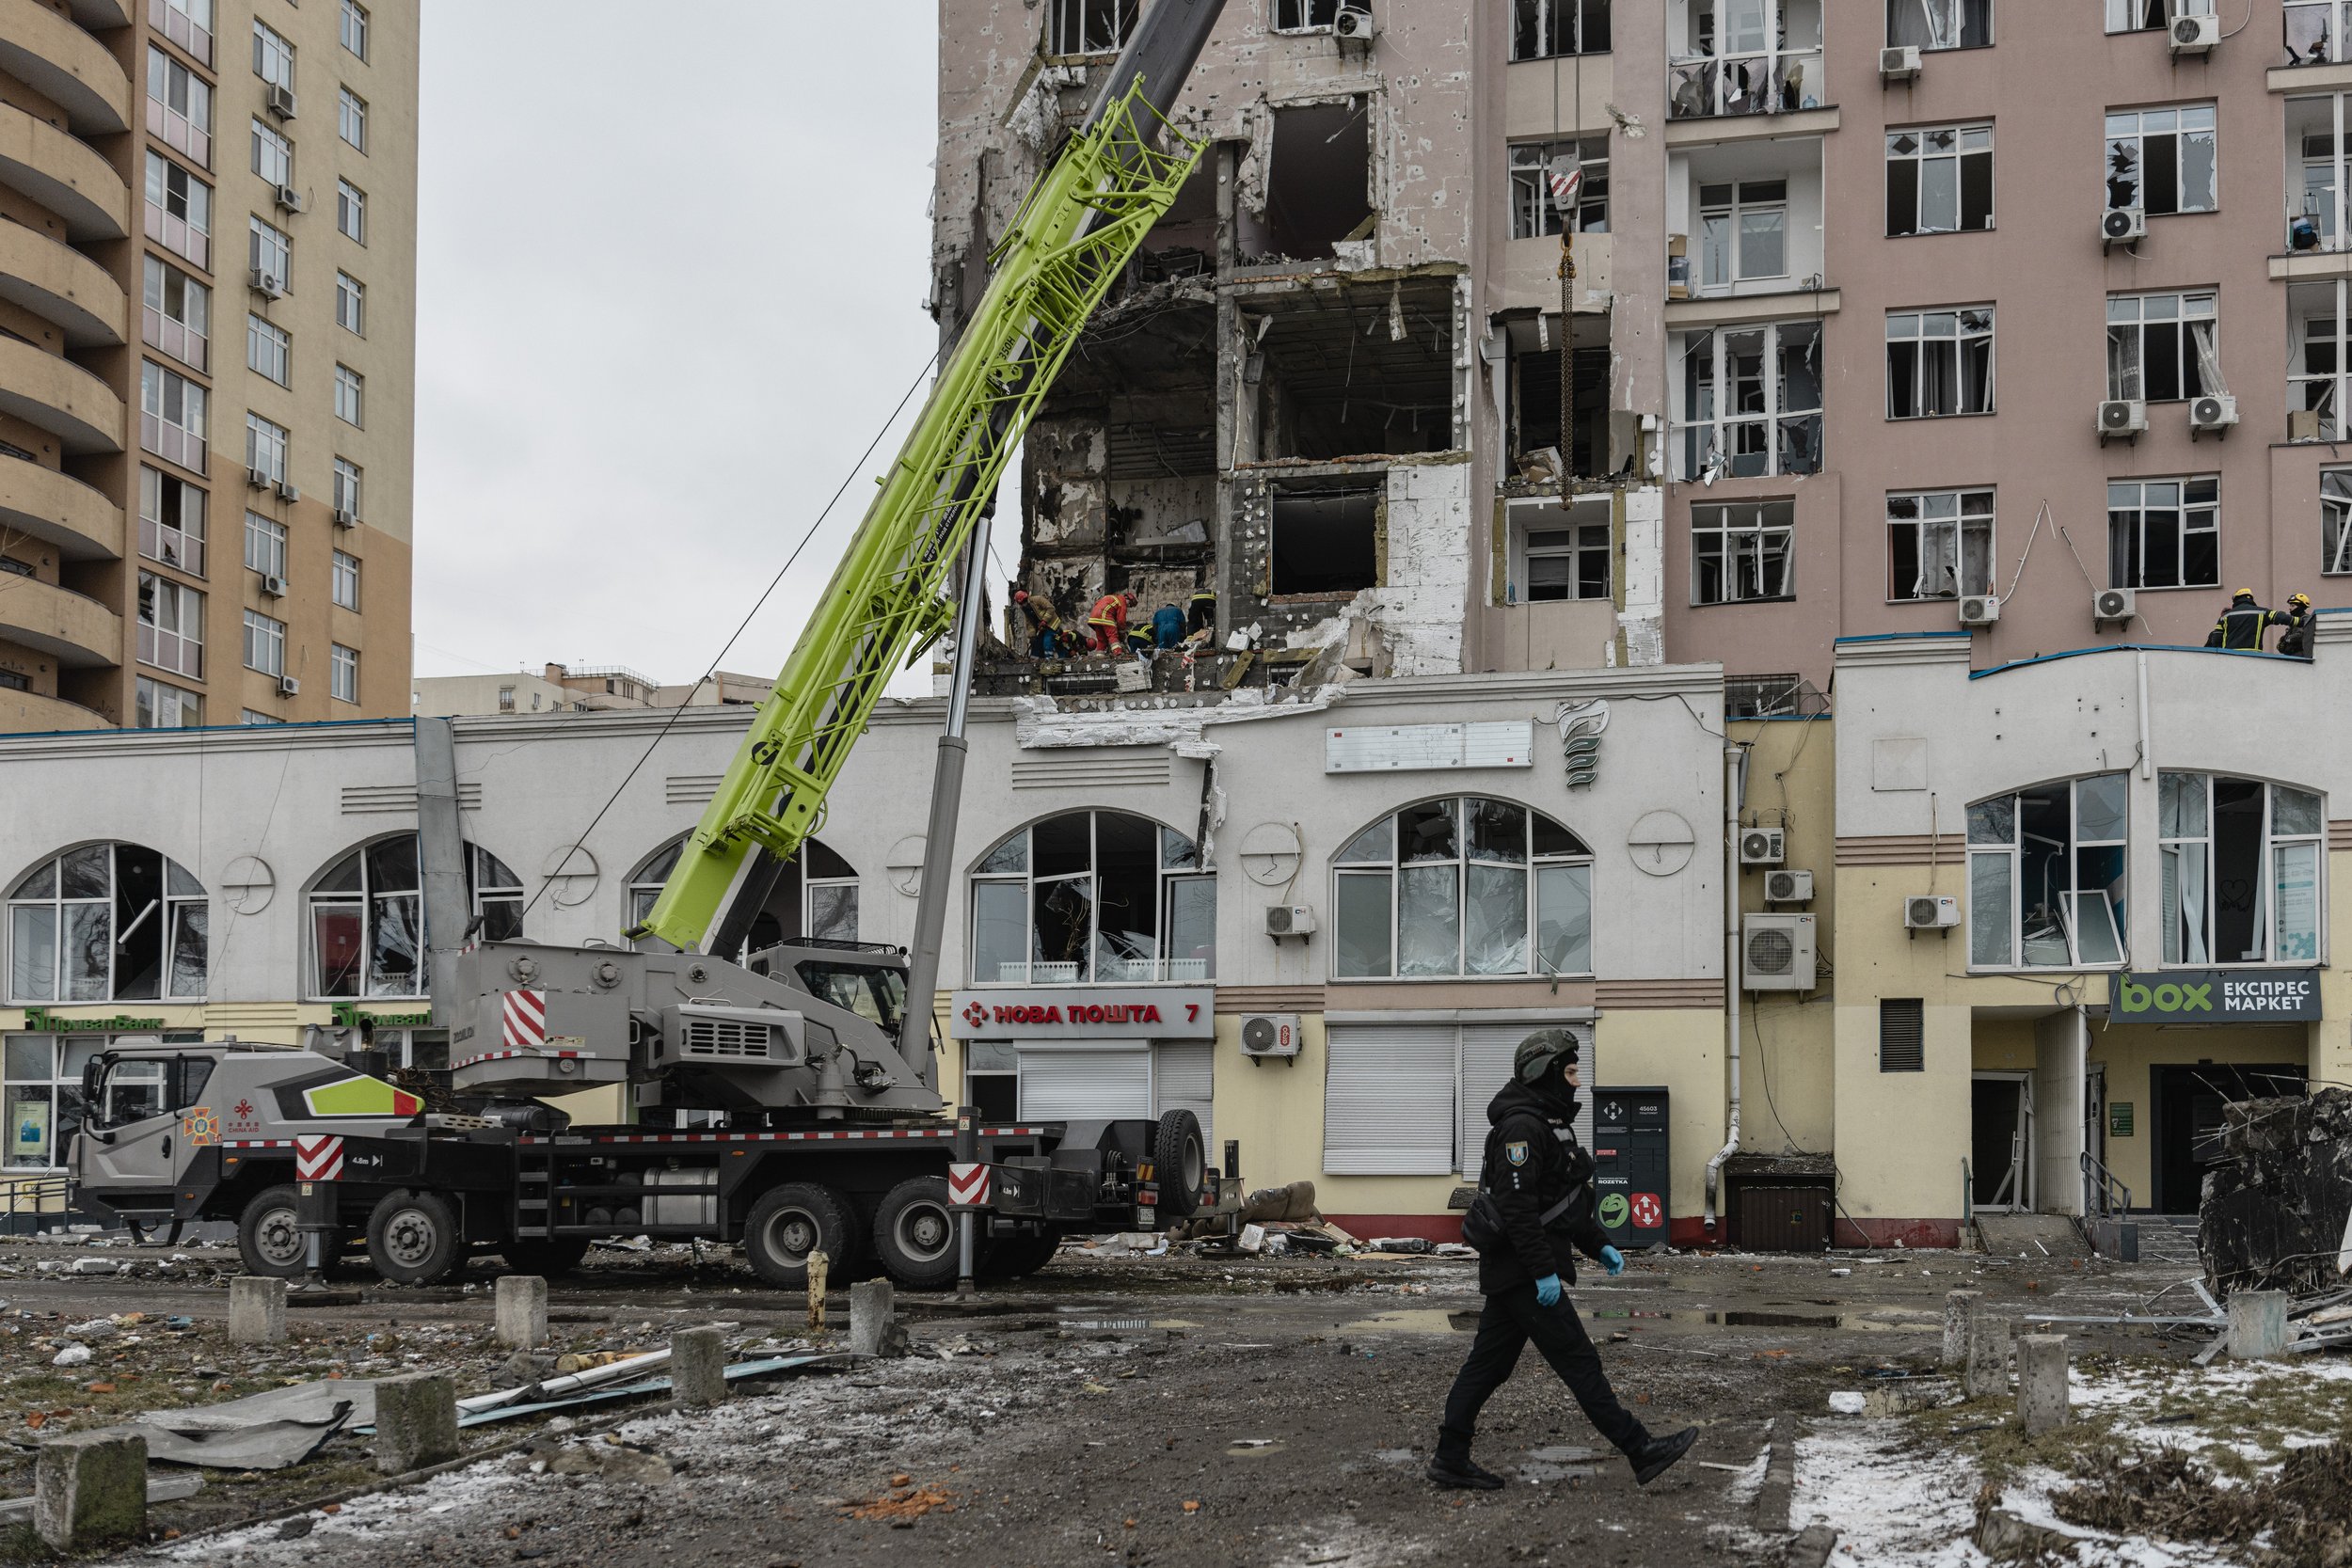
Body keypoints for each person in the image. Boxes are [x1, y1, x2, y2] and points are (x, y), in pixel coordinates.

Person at [1430, 1029, 1698, 1492]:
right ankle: (1640, 1450)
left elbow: (1565, 1202)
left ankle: (1450, 1458)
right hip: (1523, 1274)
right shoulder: (1521, 1128)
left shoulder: (1550, 1123)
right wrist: (1543, 1272)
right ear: (1546, 1073)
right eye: (1571, 1072)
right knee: (1579, 1361)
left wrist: (1600, 1244)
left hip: (1521, 1272)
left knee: (1487, 1368)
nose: (1577, 1082)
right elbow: (1518, 1211)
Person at [2207, 588, 2286, 652]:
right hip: (2253, 656)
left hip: (2230, 656)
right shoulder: (2261, 612)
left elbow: (2216, 639)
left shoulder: (2226, 616)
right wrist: (2298, 620)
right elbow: (2281, 617)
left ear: (2235, 600)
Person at [1013, 591, 1062, 657]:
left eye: (1024, 601)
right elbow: (1029, 623)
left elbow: (1051, 608)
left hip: (1052, 625)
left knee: (1047, 643)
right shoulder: (1024, 609)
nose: (1024, 604)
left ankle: (1049, 662)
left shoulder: (1038, 599)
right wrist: (1032, 635)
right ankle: (1035, 664)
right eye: (1021, 603)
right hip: (1042, 628)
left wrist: (1044, 620)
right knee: (1036, 646)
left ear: (1027, 598)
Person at [1086, 589, 1136, 654]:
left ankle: (1099, 656)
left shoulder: (1111, 598)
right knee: (1113, 636)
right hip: (1104, 615)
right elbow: (1121, 620)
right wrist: (1122, 632)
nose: (1129, 606)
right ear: (1127, 598)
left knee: (1102, 639)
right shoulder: (1122, 601)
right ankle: (1118, 653)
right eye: (1130, 604)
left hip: (1094, 617)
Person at [2278, 593, 2317, 658]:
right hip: (2291, 656)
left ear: (2300, 607)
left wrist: (2287, 639)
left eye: (2292, 606)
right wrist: (2282, 643)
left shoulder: (2306, 620)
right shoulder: (2293, 621)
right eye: (2290, 606)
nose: (2290, 608)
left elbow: (2302, 635)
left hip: (2300, 656)